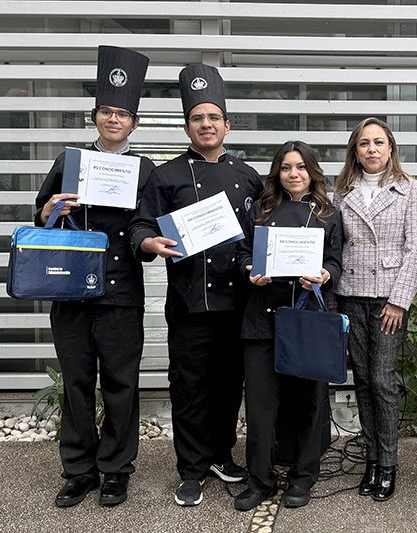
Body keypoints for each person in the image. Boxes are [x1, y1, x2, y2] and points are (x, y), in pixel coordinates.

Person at [129, 64, 263, 507]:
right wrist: (149, 242)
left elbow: (266, 231)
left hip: (238, 303)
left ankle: (221, 455)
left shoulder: (248, 176)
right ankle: (191, 469)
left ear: (227, 124)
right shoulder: (165, 176)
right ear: (187, 127)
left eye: (213, 117)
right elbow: (141, 224)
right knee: (188, 388)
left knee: (228, 386)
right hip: (189, 303)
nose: (206, 124)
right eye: (197, 118)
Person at [34, 46, 153, 508]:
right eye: (107, 111)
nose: (114, 119)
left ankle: (117, 469)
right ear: (95, 116)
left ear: (133, 123)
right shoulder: (70, 162)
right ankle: (79, 470)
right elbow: (41, 217)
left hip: (121, 292)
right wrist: (49, 210)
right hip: (70, 288)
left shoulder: (146, 171)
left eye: (122, 114)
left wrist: (148, 241)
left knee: (122, 384)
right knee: (76, 382)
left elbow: (148, 224)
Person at [233, 141, 343, 511]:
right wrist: (250, 269)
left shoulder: (328, 214)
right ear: (276, 173)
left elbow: (336, 261)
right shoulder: (261, 209)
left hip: (307, 316)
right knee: (260, 405)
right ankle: (260, 480)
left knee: (308, 402)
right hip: (262, 318)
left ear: (312, 171)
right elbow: (242, 253)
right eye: (285, 167)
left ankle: (303, 476)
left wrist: (324, 275)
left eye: (300, 167)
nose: (293, 174)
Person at [330, 117, 417, 502]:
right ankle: (371, 459)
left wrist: (400, 300)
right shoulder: (342, 191)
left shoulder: (409, 188)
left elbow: (415, 248)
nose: (371, 149)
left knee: (383, 380)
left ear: (390, 148)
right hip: (351, 293)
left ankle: (388, 463)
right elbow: (335, 243)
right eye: (364, 143)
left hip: (388, 299)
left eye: (378, 142)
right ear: (355, 151)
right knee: (362, 379)